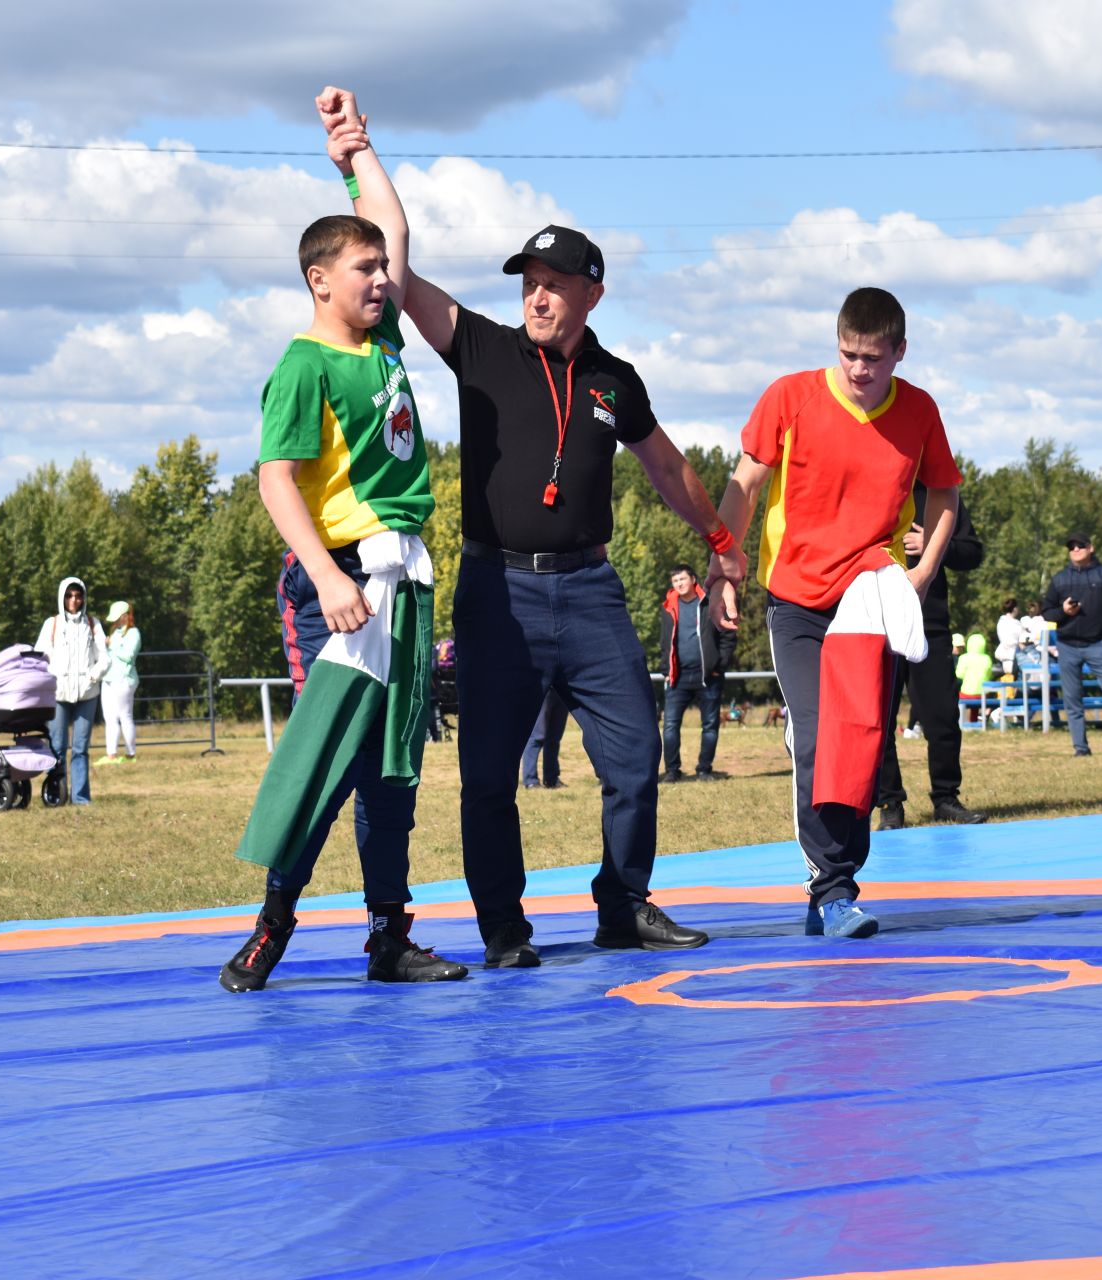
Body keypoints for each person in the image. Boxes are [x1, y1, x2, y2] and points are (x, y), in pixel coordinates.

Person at [335, 105, 726, 967]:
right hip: (497, 592)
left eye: (554, 281)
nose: (538, 295)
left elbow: (666, 467)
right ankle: (504, 931)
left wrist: (723, 543)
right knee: (486, 777)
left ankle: (623, 903)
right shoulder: (481, 346)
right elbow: (394, 276)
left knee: (635, 755)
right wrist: (358, 159)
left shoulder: (614, 380)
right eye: (527, 282)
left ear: (591, 291)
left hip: (590, 590)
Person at [217, 89, 468, 992]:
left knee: (392, 771)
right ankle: (271, 927)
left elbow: (393, 226)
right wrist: (324, 575)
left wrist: (355, 148)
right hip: (344, 587)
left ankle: (388, 938)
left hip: (405, 584)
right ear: (319, 279)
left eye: (381, 271)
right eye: (361, 269)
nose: (379, 279)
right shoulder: (304, 364)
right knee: (329, 759)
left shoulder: (385, 342)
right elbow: (275, 479)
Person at [711, 287, 961, 938]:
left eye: (873, 359)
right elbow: (744, 484)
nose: (858, 370)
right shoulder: (789, 397)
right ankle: (829, 888)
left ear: (899, 353)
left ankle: (839, 888)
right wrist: (724, 564)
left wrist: (922, 574)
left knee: (861, 743)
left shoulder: (920, 413)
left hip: (871, 592)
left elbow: (945, 494)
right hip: (796, 596)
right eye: (848, 354)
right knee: (818, 737)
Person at [877, 486, 987, 829]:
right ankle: (890, 804)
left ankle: (946, 798)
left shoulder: (938, 493)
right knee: (878, 720)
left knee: (942, 716)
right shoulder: (866, 483)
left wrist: (937, 547)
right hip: (874, 620)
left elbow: (972, 552)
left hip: (930, 623)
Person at [1042, 530, 1102, 756]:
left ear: (1090, 548)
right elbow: (1047, 613)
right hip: (1067, 646)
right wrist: (1063, 611)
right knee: (1072, 698)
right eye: (1071, 547)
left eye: (1080, 546)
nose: (1075, 550)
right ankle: (1080, 748)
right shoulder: (1060, 579)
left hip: (1097, 645)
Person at [658, 563, 735, 783]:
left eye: (682, 579)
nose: (679, 584)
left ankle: (704, 770)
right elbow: (664, 642)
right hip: (677, 677)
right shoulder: (667, 607)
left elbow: (728, 636)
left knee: (710, 725)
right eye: (675, 581)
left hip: (708, 677)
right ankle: (672, 771)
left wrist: (719, 666)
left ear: (693, 579)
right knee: (670, 726)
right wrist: (666, 669)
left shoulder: (709, 603)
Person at [34, 577, 107, 807]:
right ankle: (55, 794)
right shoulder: (52, 624)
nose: (74, 600)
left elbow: (104, 658)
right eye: (69, 596)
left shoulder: (93, 624)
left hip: (87, 695)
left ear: (83, 598)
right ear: (62, 598)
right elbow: (41, 655)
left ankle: (81, 797)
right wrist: (52, 678)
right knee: (57, 746)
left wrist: (92, 676)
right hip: (58, 695)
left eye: (77, 595)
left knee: (80, 748)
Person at [97, 600, 140, 767]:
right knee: (110, 718)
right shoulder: (116, 632)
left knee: (125, 716)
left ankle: (131, 754)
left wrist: (112, 645)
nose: (115, 621)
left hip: (124, 680)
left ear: (125, 616)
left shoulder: (133, 633)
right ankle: (111, 755)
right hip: (109, 679)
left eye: (118, 617)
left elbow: (129, 655)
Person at [521, 689, 571, 789]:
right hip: (544, 689)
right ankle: (530, 780)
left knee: (554, 738)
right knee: (536, 737)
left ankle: (551, 779)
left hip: (562, 690)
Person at [994, 598, 1024, 678]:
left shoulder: (1000, 622)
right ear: (1014, 609)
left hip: (1003, 657)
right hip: (1014, 658)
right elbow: (1021, 639)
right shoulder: (1016, 624)